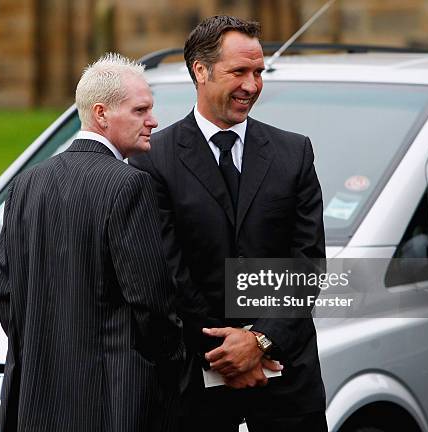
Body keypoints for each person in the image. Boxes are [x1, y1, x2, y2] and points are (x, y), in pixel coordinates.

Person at [130, 16, 327, 432]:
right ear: (200, 71)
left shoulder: (294, 153)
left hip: (287, 382)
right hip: (194, 388)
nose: (252, 86)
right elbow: (167, 274)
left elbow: (307, 264)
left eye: (258, 73)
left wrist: (259, 341)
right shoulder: (152, 159)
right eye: (239, 72)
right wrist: (227, 354)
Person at [0, 53, 184, 432]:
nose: (154, 121)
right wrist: (171, 359)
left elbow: (4, 290)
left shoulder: (26, 183)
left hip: (35, 402)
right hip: (113, 401)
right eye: (140, 110)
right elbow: (151, 300)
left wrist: (39, 345)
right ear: (101, 114)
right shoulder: (129, 184)